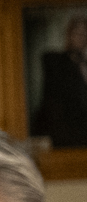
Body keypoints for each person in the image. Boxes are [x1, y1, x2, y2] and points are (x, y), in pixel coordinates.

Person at [34, 15, 87, 150]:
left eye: (85, 33)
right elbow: (53, 101)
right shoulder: (55, 61)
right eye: (78, 32)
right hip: (65, 135)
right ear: (69, 34)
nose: (82, 37)